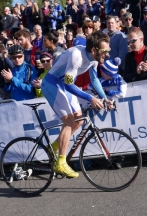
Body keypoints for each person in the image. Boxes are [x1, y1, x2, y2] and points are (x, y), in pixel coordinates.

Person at [41, 31, 113, 178]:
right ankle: (60, 162)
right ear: (94, 50)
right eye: (105, 51)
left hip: (64, 84)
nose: (107, 55)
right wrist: (90, 98)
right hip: (52, 84)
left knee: (79, 120)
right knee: (68, 120)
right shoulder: (77, 57)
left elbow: (94, 80)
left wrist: (104, 98)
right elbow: (68, 85)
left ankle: (53, 147)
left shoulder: (93, 58)